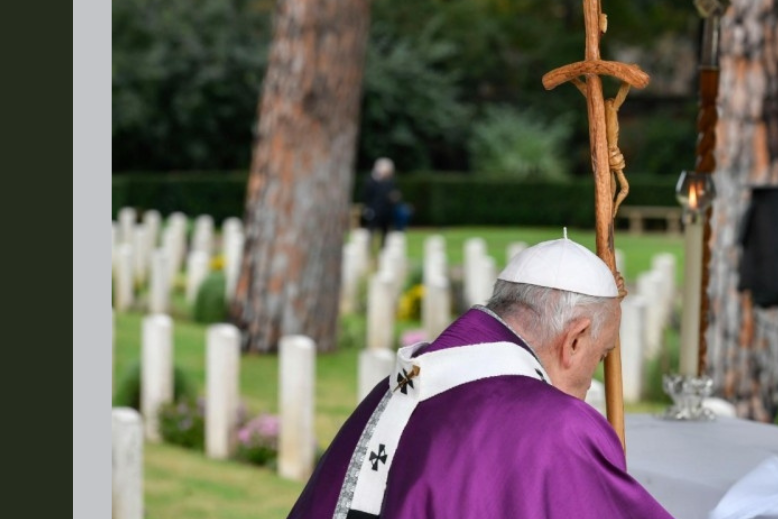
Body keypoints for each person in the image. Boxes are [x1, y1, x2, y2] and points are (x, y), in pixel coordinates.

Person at [287, 235, 674, 519]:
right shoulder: (556, 428)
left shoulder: (399, 389)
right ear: (574, 339)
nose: (591, 381)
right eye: (601, 354)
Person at [361, 157, 400, 251]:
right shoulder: (371, 181)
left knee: (385, 232)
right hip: (374, 210)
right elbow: (366, 196)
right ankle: (367, 249)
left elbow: (394, 193)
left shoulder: (390, 181)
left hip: (387, 210)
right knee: (371, 230)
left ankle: (384, 250)